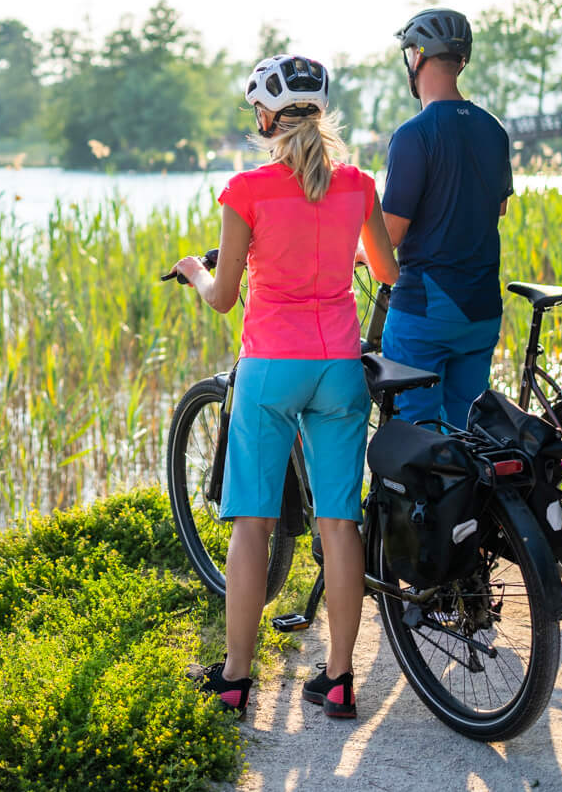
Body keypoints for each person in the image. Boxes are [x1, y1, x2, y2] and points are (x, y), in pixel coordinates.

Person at [171, 53, 399, 721]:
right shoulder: (356, 183)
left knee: (253, 523)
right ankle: (338, 680)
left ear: (268, 116)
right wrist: (341, 251)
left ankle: (237, 677)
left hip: (271, 367)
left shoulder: (246, 189)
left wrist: (192, 271)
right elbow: (386, 269)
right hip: (338, 370)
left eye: (256, 112)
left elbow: (224, 296)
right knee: (339, 519)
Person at [380, 8, 513, 430]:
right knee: (469, 434)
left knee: (417, 437)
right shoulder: (493, 129)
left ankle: (418, 500)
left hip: (425, 310)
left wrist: (356, 251)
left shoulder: (414, 134)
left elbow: (391, 235)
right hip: (481, 309)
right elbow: (499, 207)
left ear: (417, 56)